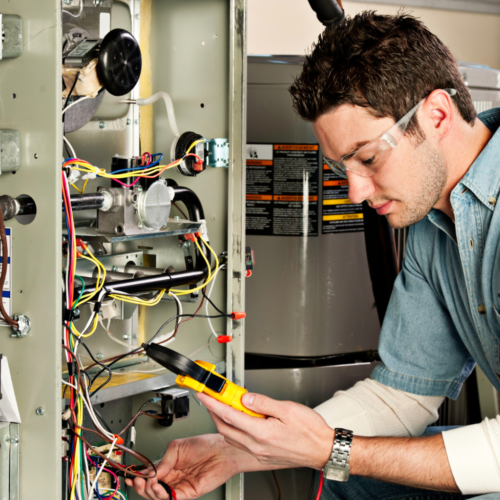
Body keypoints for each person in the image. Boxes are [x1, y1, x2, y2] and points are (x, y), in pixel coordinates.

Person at [127, 11, 500, 500]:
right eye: (342, 167)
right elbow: (404, 396)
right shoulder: (432, 223)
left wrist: (330, 448)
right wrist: (239, 451)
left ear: (436, 115)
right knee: (354, 475)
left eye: (367, 158)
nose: (354, 192)